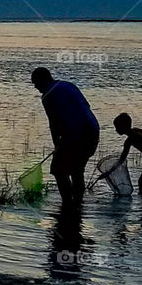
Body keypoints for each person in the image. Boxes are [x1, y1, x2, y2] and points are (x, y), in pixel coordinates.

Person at [31, 67, 99, 206]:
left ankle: (68, 204)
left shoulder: (48, 95)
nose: (35, 87)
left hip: (77, 135)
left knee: (57, 170)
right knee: (77, 170)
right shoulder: (68, 85)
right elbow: (86, 105)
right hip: (93, 130)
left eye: (36, 83)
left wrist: (57, 145)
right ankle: (78, 204)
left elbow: (54, 123)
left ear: (43, 79)